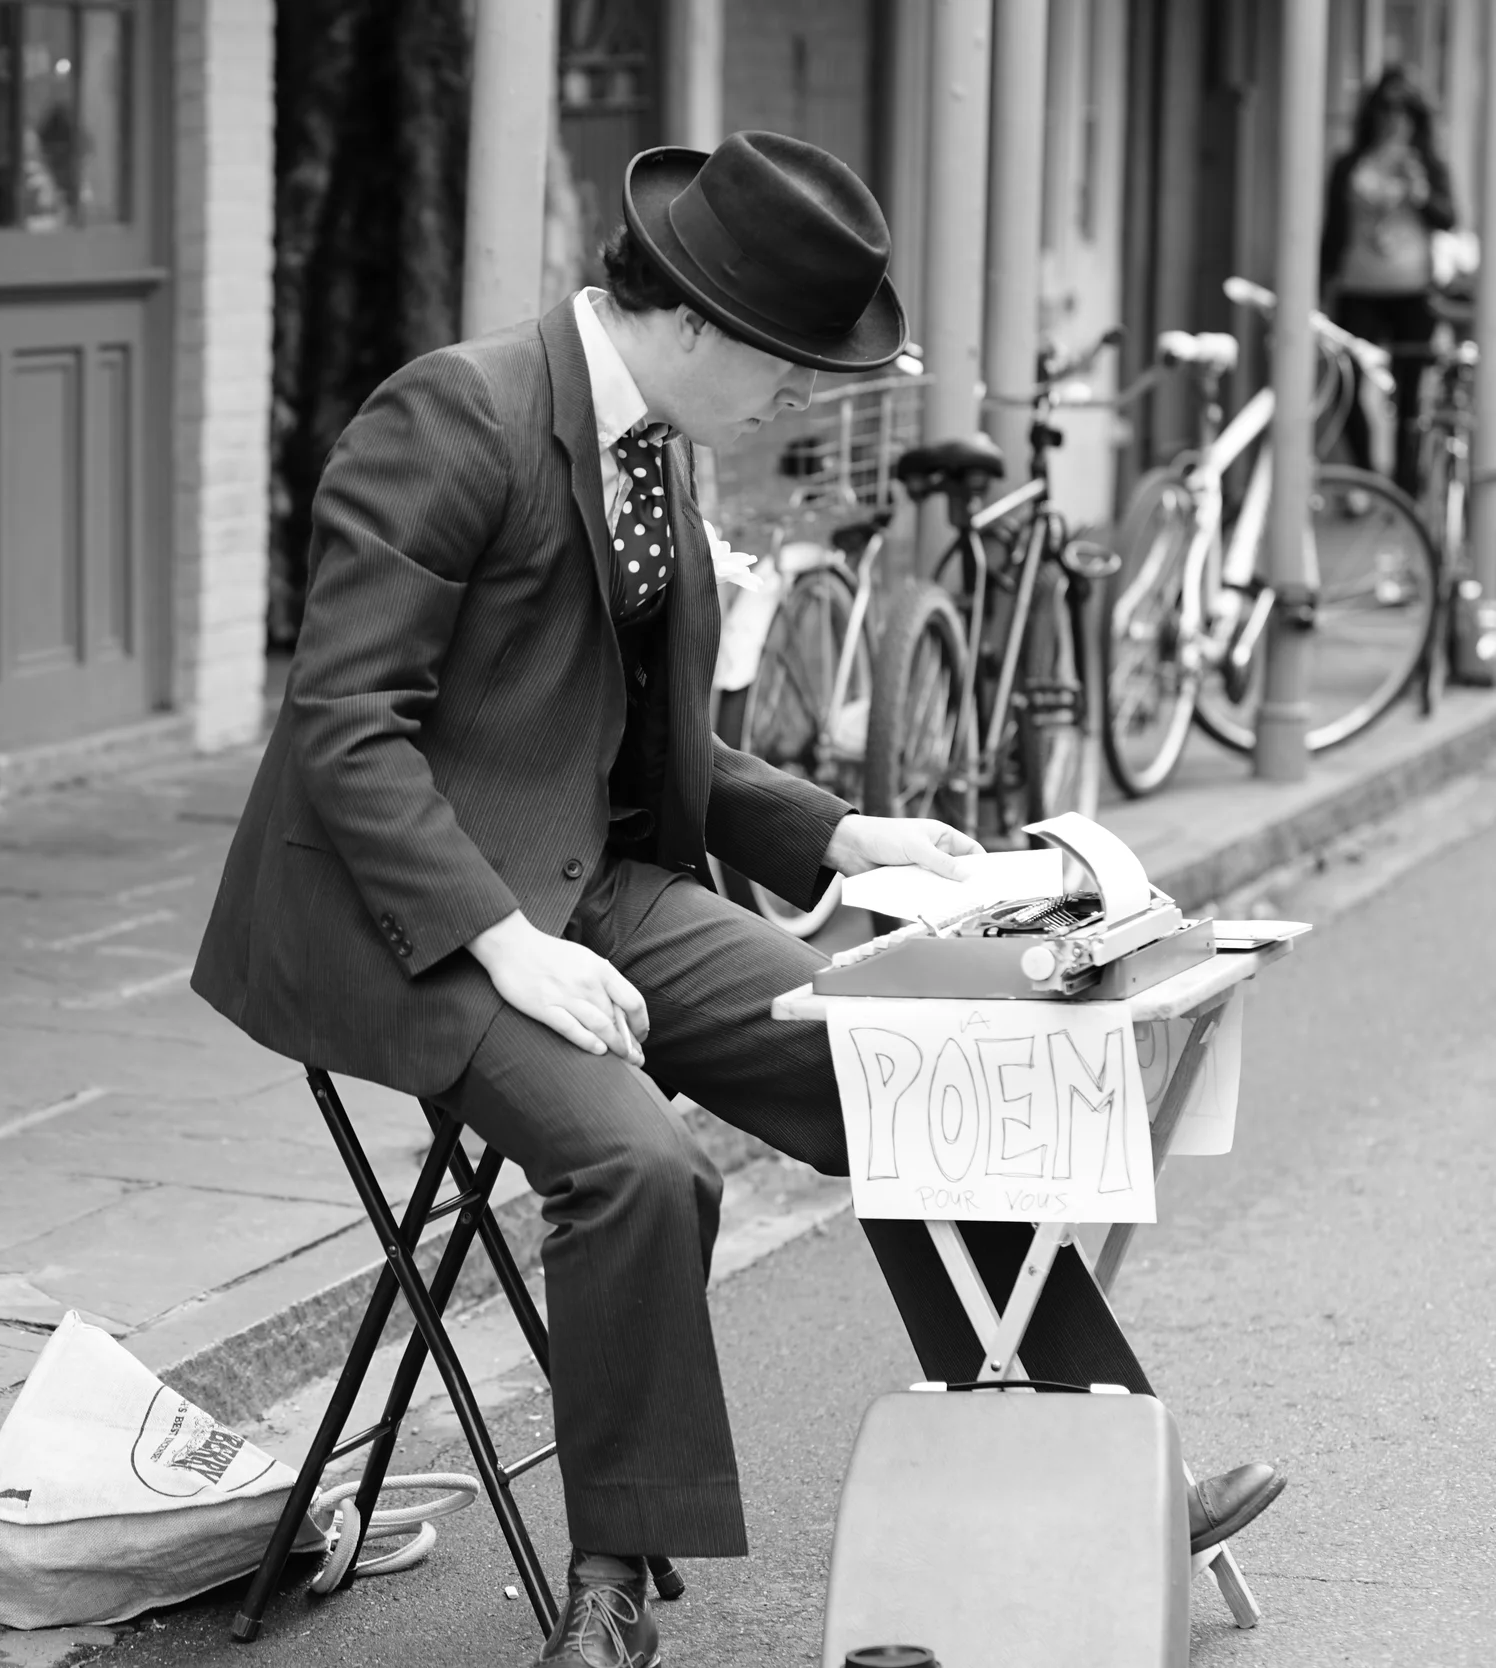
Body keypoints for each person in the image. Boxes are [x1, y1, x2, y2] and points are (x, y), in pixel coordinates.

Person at [193, 132, 1285, 1666]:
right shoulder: (456, 411)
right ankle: (614, 1586)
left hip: (592, 885)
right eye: (793, 368)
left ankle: (1095, 1467)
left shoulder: (664, 439)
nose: (807, 400)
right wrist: (505, 945)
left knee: (902, 1062)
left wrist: (843, 839)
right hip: (405, 911)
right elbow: (343, 725)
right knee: (642, 1166)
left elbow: (630, 732)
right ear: (695, 321)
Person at [1321, 66, 1457, 497]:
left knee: (1411, 393)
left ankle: (1404, 486)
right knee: (1345, 382)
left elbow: (1449, 217)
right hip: (1358, 288)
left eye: (1404, 113)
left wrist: (1420, 194)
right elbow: (1333, 232)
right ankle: (1365, 478)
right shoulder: (1350, 165)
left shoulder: (1425, 165)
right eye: (1386, 111)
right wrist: (1322, 285)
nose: (1394, 121)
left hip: (1411, 291)